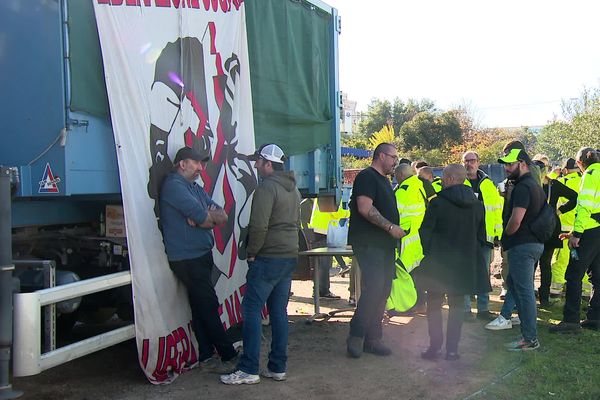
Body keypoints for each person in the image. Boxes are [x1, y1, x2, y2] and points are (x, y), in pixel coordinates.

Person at [221, 143, 301, 385]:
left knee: (252, 310)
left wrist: (252, 252)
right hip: (288, 255)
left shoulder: (266, 188)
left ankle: (248, 369)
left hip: (268, 257)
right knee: (278, 311)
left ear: (268, 164)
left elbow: (258, 226)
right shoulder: (293, 189)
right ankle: (277, 367)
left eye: (259, 161)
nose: (255, 165)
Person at [159, 146, 238, 372]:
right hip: (188, 257)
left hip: (199, 255)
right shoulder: (174, 186)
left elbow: (221, 214)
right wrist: (205, 217)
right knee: (208, 304)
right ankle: (227, 354)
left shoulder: (192, 187)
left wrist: (205, 217)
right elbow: (205, 218)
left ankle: (205, 354)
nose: (201, 168)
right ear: (182, 164)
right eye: (196, 163)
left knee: (201, 305)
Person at [419, 164, 488, 361]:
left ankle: (434, 347)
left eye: (443, 178)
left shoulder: (437, 203)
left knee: (434, 305)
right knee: (457, 307)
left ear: (449, 179)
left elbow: (425, 232)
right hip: (464, 263)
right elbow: (480, 235)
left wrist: (430, 252)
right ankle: (452, 350)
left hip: (439, 263)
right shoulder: (477, 204)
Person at [346, 143, 405, 358]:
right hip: (369, 242)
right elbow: (364, 207)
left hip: (385, 244)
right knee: (374, 288)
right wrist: (390, 227)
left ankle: (374, 338)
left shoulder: (385, 180)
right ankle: (357, 334)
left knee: (383, 290)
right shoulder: (367, 177)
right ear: (381, 156)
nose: (395, 162)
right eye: (392, 157)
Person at [497, 148, 545, 351]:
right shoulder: (533, 184)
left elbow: (515, 221)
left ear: (523, 164)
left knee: (524, 292)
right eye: (505, 164)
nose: (507, 168)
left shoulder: (523, 187)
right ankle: (527, 335)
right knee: (517, 287)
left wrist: (505, 236)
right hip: (533, 243)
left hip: (522, 245)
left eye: (510, 164)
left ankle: (530, 339)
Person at [550, 148, 600, 333]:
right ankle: (595, 318)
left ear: (580, 163)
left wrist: (576, 234)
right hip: (597, 230)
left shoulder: (590, 174)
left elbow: (585, 206)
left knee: (573, 275)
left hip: (588, 232)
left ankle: (570, 320)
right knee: (597, 276)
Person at [461, 151, 502, 321]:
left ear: (478, 162)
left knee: (484, 274)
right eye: (466, 161)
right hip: (463, 237)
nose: (469, 164)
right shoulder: (458, 182)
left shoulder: (488, 184)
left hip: (484, 237)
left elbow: (496, 210)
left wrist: (497, 234)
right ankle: (464, 310)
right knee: (463, 273)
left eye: (472, 161)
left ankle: (483, 309)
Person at [308, 199, 349, 299]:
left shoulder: (320, 195)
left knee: (319, 264)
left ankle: (318, 290)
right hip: (323, 231)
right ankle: (323, 291)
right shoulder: (327, 196)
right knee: (324, 264)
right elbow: (335, 213)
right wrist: (348, 213)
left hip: (316, 229)